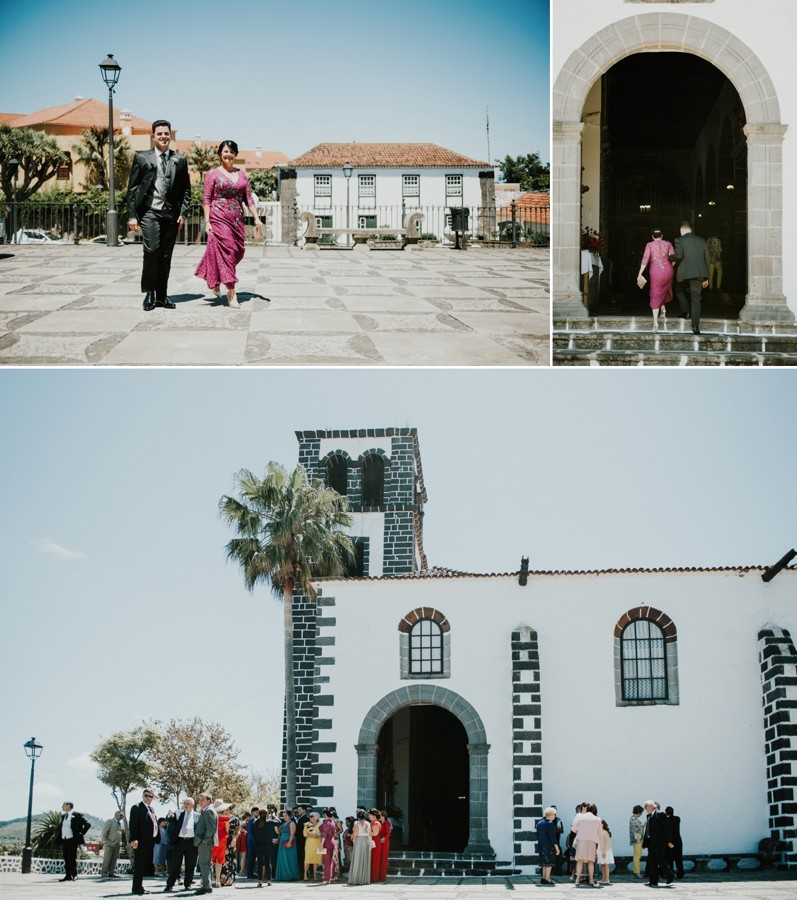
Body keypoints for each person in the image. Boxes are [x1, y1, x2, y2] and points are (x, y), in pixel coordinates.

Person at [127, 119, 191, 311]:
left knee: (165, 255)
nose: (163, 137)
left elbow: (186, 190)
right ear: (153, 136)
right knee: (152, 251)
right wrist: (132, 215)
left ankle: (162, 296)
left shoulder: (179, 159)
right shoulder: (142, 158)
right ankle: (150, 293)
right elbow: (132, 189)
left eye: (166, 134)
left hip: (171, 214)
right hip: (149, 212)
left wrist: (183, 213)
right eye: (159, 134)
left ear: (170, 135)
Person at [194, 139, 262, 308]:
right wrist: (208, 221)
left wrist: (256, 218)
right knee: (229, 251)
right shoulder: (213, 174)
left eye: (231, 152)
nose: (228, 155)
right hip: (219, 217)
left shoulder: (242, 174)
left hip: (237, 219)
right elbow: (207, 200)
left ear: (235, 155)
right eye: (225, 151)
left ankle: (215, 277)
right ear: (220, 154)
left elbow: (248, 199)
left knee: (238, 251)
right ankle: (231, 293)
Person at [672, 221, 710, 335]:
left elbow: (678, 256)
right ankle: (695, 326)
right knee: (696, 299)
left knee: (677, 287)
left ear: (681, 231)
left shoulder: (679, 240)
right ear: (691, 230)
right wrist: (706, 277)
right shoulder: (702, 241)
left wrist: (668, 257)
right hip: (699, 273)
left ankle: (685, 311)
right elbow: (707, 259)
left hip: (684, 273)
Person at [636, 228, 675, 332]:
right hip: (668, 270)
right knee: (663, 288)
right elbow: (674, 258)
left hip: (656, 271)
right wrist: (670, 267)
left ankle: (655, 324)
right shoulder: (668, 244)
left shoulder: (649, 245)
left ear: (652, 237)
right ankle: (663, 309)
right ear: (662, 236)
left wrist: (639, 274)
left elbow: (645, 260)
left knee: (656, 293)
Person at [129, 788, 161, 896]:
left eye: (150, 796)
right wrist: (133, 839)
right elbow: (133, 825)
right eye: (146, 795)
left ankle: (140, 887)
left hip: (149, 842)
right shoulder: (137, 807)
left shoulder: (151, 809)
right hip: (140, 842)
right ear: (142, 796)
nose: (148, 798)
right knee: (139, 866)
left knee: (144, 866)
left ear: (153, 798)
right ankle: (136, 888)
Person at [165, 796, 199, 892]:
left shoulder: (197, 815)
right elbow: (170, 819)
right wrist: (168, 816)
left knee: (190, 865)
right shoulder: (178, 813)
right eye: (184, 803)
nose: (185, 805)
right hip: (179, 842)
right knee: (175, 865)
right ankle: (169, 885)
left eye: (188, 803)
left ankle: (187, 885)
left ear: (193, 805)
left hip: (192, 843)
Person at [643, 799, 674, 887]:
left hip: (660, 843)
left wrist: (669, 841)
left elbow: (666, 829)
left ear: (652, 807)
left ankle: (670, 875)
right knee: (652, 862)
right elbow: (647, 831)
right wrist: (645, 843)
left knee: (660, 860)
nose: (645, 808)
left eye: (646, 806)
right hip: (651, 843)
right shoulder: (649, 816)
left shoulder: (660, 815)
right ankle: (653, 881)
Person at [57, 801, 91, 882]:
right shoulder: (63, 816)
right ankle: (68, 875)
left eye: (63, 805)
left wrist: (81, 833)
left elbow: (87, 824)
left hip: (72, 839)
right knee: (66, 857)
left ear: (68, 806)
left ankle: (74, 875)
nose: (62, 806)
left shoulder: (76, 815)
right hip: (64, 839)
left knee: (72, 858)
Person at [193, 791, 218, 896]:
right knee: (206, 864)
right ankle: (207, 885)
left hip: (205, 842)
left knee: (204, 864)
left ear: (209, 800)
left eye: (202, 799)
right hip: (205, 842)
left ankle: (206, 886)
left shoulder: (209, 811)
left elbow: (211, 828)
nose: (200, 801)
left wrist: (205, 840)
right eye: (199, 799)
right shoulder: (207, 811)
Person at [571, 802, 601, 887]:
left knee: (580, 861)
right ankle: (591, 879)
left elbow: (573, 829)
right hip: (592, 841)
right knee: (591, 861)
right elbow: (599, 832)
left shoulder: (580, 817)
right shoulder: (597, 819)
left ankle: (577, 880)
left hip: (581, 840)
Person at [251, 807, 278, 887]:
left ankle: (260, 880)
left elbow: (254, 834)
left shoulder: (255, 823)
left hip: (259, 844)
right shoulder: (270, 822)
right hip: (268, 844)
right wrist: (273, 815)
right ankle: (269, 880)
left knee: (260, 863)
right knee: (268, 862)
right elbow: (278, 822)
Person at [347, 809, 372, 886]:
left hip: (359, 841)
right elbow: (370, 834)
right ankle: (364, 879)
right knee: (364, 859)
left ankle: (356, 879)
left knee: (357, 859)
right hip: (366, 840)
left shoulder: (356, 823)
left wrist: (352, 836)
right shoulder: (368, 823)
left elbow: (355, 834)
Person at [536, 807, 560, 886]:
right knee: (549, 862)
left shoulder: (540, 823)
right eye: (554, 814)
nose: (555, 816)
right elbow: (553, 837)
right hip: (548, 845)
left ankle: (543, 877)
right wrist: (556, 847)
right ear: (551, 814)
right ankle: (548, 878)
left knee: (544, 862)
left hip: (540, 844)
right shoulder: (550, 823)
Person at [211, 800, 232, 888]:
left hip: (212, 839)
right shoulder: (226, 818)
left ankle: (208, 879)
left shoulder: (211, 815)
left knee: (210, 860)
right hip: (222, 840)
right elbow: (227, 830)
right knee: (219, 861)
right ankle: (218, 880)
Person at [100, 810, 125, 878]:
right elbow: (104, 832)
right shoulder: (110, 821)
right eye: (121, 815)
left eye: (122, 816)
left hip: (117, 844)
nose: (122, 817)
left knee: (114, 859)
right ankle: (104, 873)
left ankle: (111, 872)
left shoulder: (119, 823)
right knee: (107, 859)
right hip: (109, 844)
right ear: (116, 815)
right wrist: (105, 842)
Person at [275, 809, 299, 881]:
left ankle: (290, 875)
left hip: (288, 842)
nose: (284, 817)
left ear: (289, 816)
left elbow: (292, 834)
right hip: (282, 842)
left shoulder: (292, 823)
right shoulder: (283, 823)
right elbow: (279, 833)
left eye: (286, 815)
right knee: (282, 859)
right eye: (283, 816)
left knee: (289, 859)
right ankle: (283, 875)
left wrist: (289, 842)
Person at [319, 807, 338, 884]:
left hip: (326, 842)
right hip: (332, 841)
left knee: (326, 861)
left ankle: (327, 879)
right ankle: (332, 877)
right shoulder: (333, 822)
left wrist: (321, 845)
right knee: (331, 860)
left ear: (325, 814)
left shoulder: (326, 822)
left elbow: (324, 834)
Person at [665, 806, 684, 878]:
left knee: (670, 858)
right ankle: (680, 873)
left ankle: (671, 872)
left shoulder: (666, 820)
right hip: (678, 841)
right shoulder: (677, 818)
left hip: (670, 841)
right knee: (678, 858)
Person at [303, 810, 322, 880]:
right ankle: (305, 875)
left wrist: (318, 836)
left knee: (315, 860)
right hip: (309, 844)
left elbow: (323, 834)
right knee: (307, 859)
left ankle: (315, 875)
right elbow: (305, 834)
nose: (310, 817)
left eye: (311, 816)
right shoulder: (307, 824)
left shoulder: (320, 824)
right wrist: (313, 836)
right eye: (310, 816)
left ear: (316, 817)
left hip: (317, 844)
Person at [629, 804, 645, 880]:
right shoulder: (634, 819)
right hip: (637, 839)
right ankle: (637, 872)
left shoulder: (633, 818)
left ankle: (636, 872)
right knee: (637, 856)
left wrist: (643, 826)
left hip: (636, 839)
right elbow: (638, 831)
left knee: (636, 856)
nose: (641, 814)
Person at [597, 819, 614, 885]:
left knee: (606, 865)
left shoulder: (604, 832)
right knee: (603, 865)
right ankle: (603, 878)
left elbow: (605, 843)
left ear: (603, 825)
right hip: (602, 850)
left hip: (605, 850)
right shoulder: (601, 832)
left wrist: (604, 852)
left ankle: (607, 879)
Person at [376, 809, 391, 882]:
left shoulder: (387, 823)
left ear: (383, 816)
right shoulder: (379, 823)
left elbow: (388, 833)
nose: (379, 817)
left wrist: (384, 838)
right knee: (379, 858)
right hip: (379, 842)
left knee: (384, 859)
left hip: (385, 843)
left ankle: (382, 876)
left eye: (380, 816)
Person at [367, 808, 382, 883]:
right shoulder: (372, 822)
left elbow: (375, 833)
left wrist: (366, 832)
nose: (369, 816)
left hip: (375, 843)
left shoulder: (376, 823)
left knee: (375, 860)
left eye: (370, 814)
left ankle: (374, 877)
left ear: (373, 815)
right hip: (372, 841)